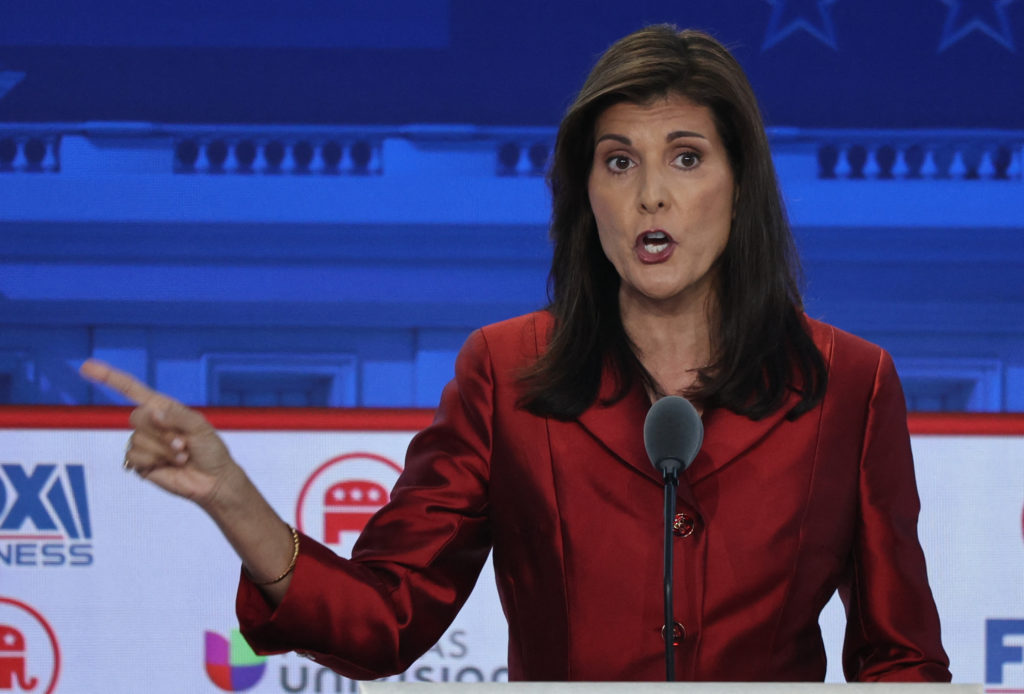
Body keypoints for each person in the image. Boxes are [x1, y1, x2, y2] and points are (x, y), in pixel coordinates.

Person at [80, 25, 951, 682]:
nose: (651, 194)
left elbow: (901, 657)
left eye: (686, 158)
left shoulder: (850, 384)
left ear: (739, 183)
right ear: (587, 195)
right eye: (619, 162)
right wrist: (234, 499)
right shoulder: (507, 374)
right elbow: (386, 620)